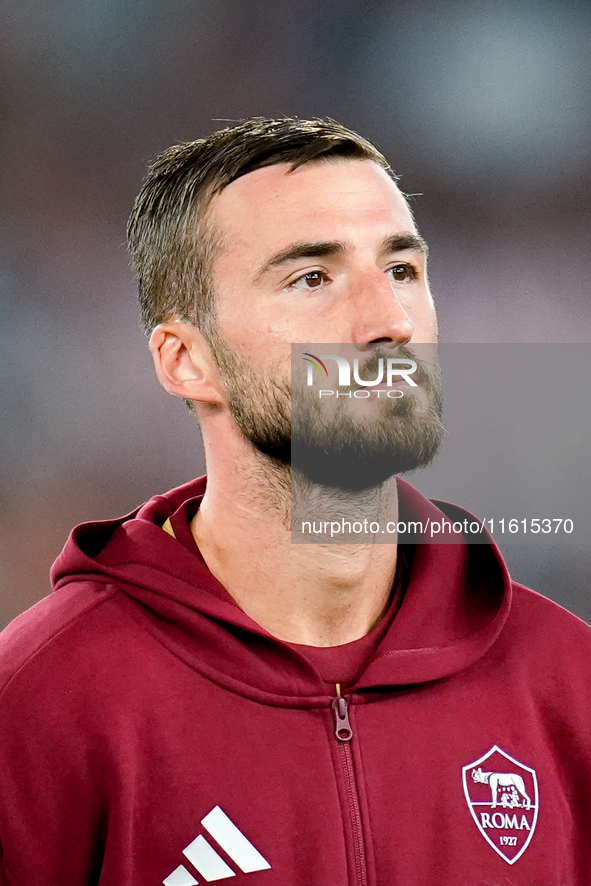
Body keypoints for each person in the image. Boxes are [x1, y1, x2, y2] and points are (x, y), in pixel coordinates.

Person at [0, 117, 590, 886]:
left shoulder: (566, 682)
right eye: (312, 278)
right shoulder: (44, 703)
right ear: (187, 361)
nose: (388, 324)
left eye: (403, 271)